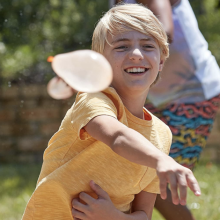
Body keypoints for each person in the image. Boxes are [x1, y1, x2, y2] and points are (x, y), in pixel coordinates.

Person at [22, 4, 201, 220]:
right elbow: (117, 136)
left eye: (147, 46)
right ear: (101, 62)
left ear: (161, 61)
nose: (136, 54)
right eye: (122, 47)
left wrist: (112, 216)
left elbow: (143, 213)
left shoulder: (161, 135)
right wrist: (162, 160)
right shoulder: (93, 99)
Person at [106, 1, 220, 220]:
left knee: (159, 184)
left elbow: (165, 32)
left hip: (193, 94)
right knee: (136, 174)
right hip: (154, 96)